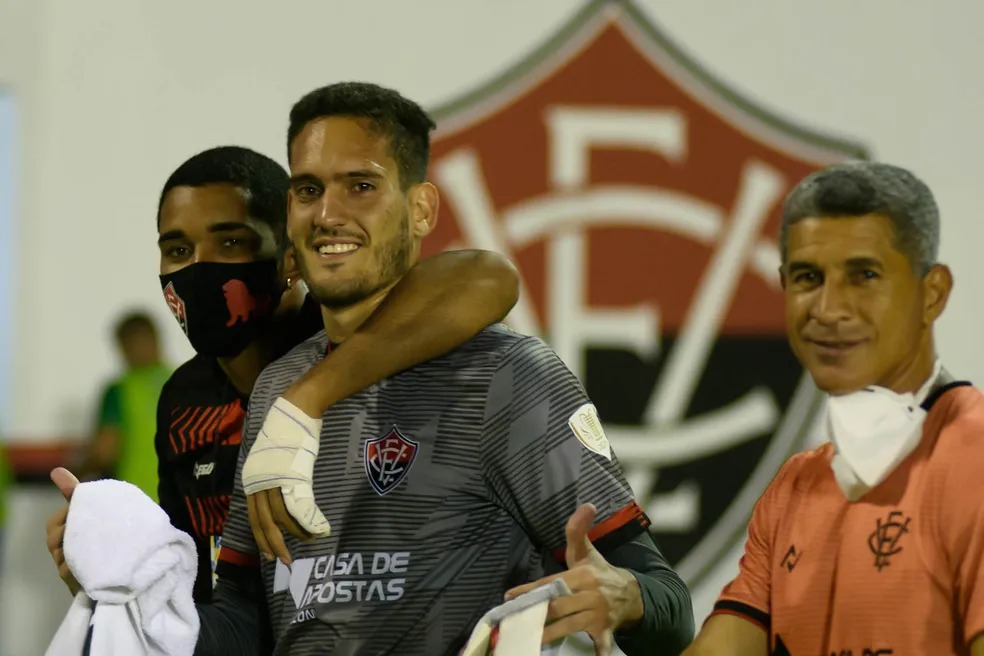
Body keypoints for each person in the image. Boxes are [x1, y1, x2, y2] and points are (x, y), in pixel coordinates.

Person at [198, 82, 693, 656]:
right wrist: (143, 611)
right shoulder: (279, 391)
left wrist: (625, 596)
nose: (328, 214)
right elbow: (243, 620)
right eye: (309, 189)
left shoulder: (506, 376)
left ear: (421, 208)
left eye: (361, 186)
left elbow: (672, 605)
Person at [45, 144, 521, 604]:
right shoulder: (183, 400)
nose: (198, 268)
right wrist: (106, 583)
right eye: (177, 249)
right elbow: (194, 590)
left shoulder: (352, 341)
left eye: (231, 242)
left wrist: (306, 398)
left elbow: (488, 277)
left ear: (290, 257)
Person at [682, 162, 984, 655]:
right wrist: (626, 605)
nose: (828, 309)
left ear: (933, 293)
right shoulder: (795, 488)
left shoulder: (974, 463)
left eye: (863, 275)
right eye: (808, 277)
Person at [77, 311, 171, 498]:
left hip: (135, 505)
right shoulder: (184, 382)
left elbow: (105, 451)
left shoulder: (119, 391)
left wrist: (77, 472)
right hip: (180, 506)